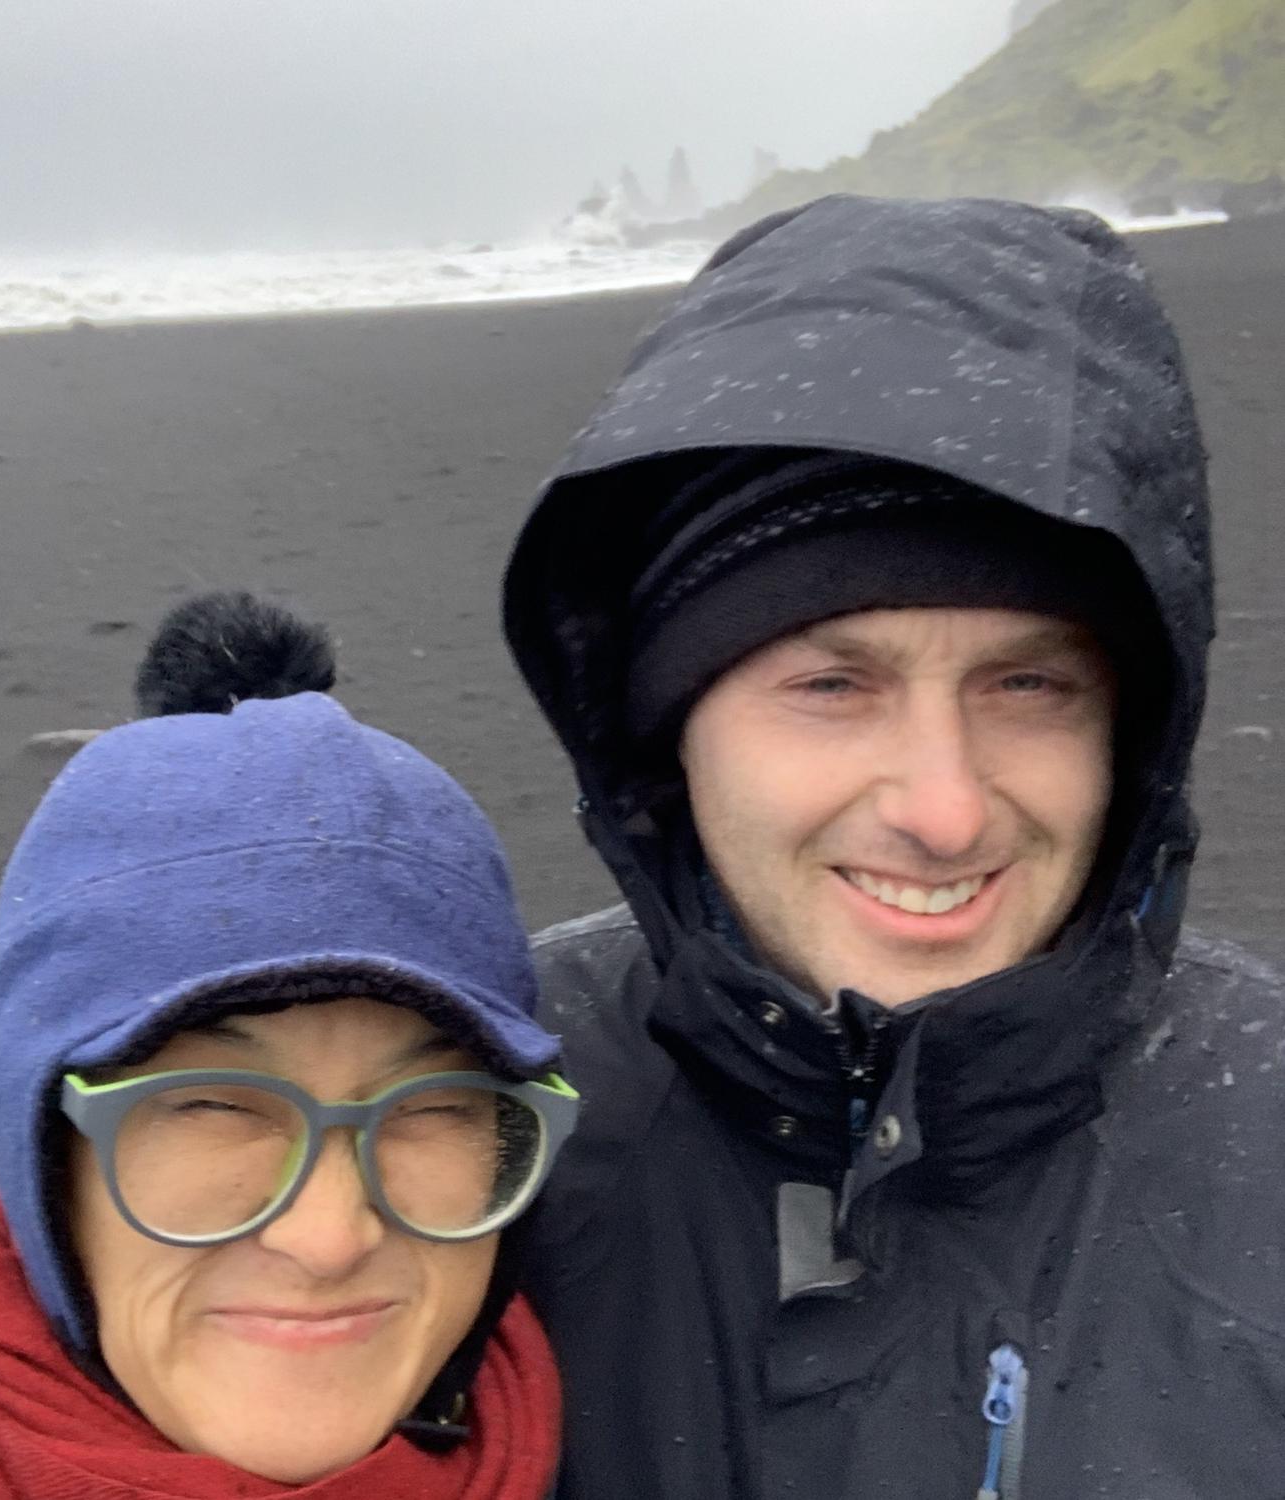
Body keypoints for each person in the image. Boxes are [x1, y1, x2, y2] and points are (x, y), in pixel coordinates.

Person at [501, 195, 1285, 1497]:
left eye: (1028, 685)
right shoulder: (466, 1133)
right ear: (664, 733)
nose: (946, 811)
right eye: (833, 685)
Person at [0, 593, 576, 1500]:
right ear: (43, 1162)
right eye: (211, 1104)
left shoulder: (622, 1406)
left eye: (435, 1107)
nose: (327, 1239)